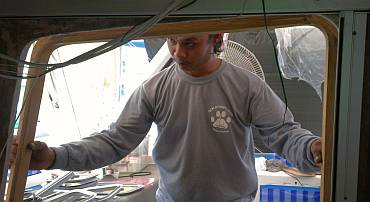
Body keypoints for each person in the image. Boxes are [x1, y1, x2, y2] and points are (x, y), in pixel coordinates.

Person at [11, 33, 322, 202]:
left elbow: (284, 133)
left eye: (189, 43)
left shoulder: (247, 86)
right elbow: (113, 142)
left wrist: (312, 149)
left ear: (216, 40)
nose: (178, 52)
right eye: (172, 41)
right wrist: (54, 156)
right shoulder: (153, 89)